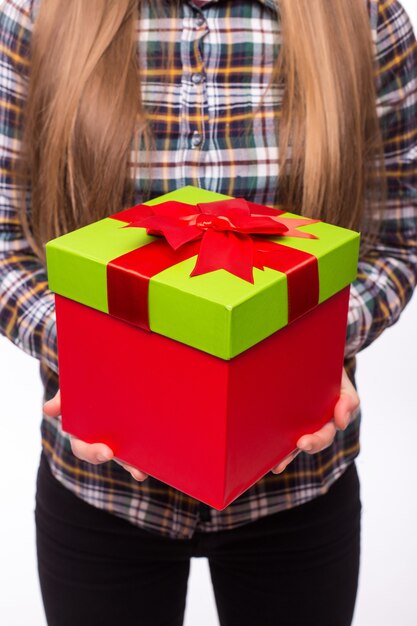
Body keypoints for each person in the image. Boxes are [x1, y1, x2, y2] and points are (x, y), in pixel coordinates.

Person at [0, 0, 416, 625]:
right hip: (99, 492)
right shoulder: (34, 15)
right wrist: (101, 360)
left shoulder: (367, 16)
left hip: (299, 484)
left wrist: (307, 353)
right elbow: (7, 246)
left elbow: (395, 243)